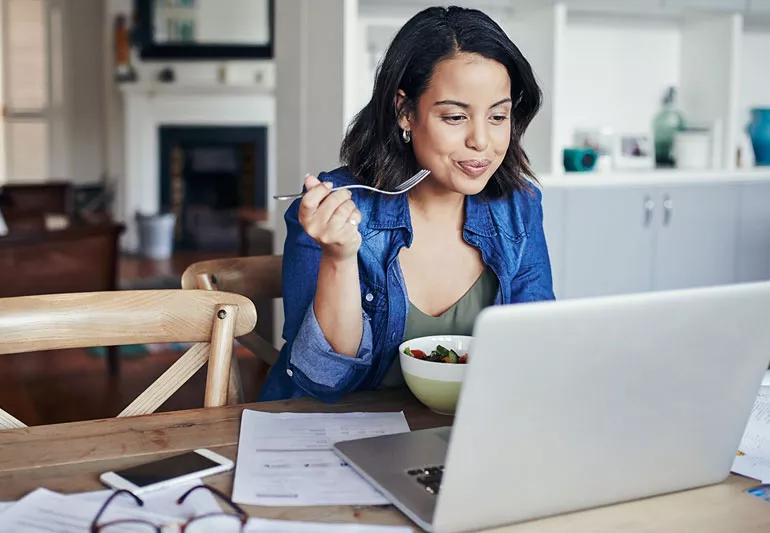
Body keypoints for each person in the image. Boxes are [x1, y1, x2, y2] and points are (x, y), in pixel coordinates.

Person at [260, 6, 554, 402]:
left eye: (498, 116)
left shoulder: (519, 207)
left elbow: (536, 350)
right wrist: (339, 258)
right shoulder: (336, 209)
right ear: (405, 112)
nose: (482, 141)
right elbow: (323, 381)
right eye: (455, 117)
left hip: (457, 436)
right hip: (335, 437)